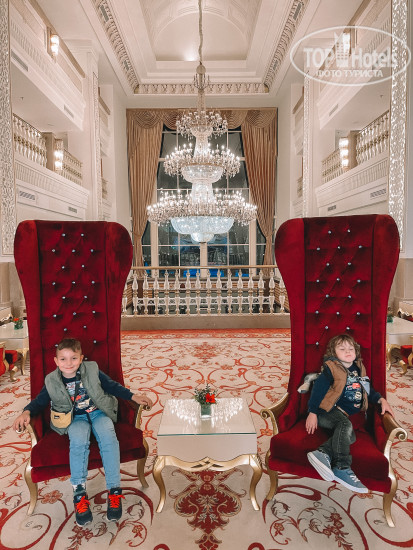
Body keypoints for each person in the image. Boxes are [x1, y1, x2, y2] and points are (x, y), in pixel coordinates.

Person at [13, 338, 153, 527]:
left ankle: (114, 490)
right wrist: (26, 412)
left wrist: (133, 396)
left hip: (99, 412)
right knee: (78, 442)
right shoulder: (51, 380)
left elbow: (112, 386)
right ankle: (79, 494)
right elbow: (39, 401)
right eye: (63, 359)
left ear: (81, 358)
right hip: (73, 419)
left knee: (109, 438)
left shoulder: (92, 369)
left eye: (73, 358)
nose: (68, 363)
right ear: (56, 361)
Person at [305, 333, 394, 493]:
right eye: (342, 348)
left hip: (342, 415)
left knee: (350, 436)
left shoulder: (359, 369)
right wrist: (312, 413)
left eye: (350, 348)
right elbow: (318, 390)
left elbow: (368, 390)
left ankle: (322, 453)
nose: (347, 351)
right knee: (345, 425)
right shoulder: (331, 369)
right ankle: (342, 467)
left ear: (356, 351)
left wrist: (381, 399)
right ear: (333, 353)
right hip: (326, 411)